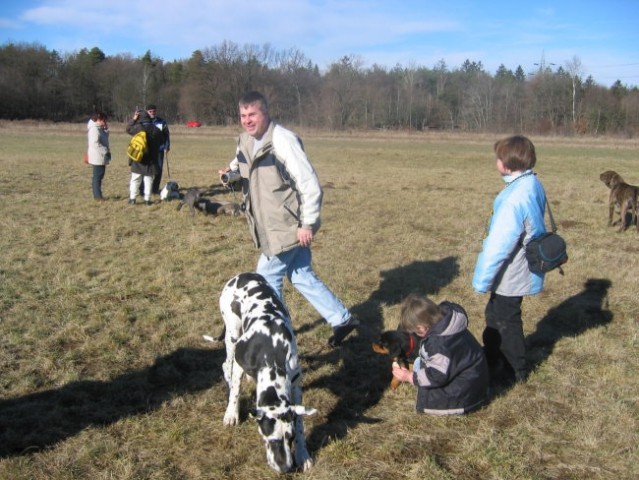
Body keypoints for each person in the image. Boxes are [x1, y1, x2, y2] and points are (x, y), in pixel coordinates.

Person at [220, 91, 358, 347]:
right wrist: (229, 176)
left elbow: (309, 184)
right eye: (243, 115)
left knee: (266, 279)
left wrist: (307, 224)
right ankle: (342, 320)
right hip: (267, 224)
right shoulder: (245, 141)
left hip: (286, 227)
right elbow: (240, 167)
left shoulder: (284, 141)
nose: (247, 120)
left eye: (253, 114)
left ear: (266, 112)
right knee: (301, 274)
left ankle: (280, 337)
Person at [472, 135, 547, 385]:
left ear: (506, 163)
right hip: (521, 265)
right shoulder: (530, 182)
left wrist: (481, 280)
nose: (496, 162)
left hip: (513, 270)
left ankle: (514, 370)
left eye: (498, 158)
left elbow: (498, 246)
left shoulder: (514, 198)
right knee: (495, 312)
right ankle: (493, 357)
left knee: (506, 318)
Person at [391, 294, 489, 415]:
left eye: (415, 332)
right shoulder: (450, 321)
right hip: (475, 381)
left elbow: (437, 376)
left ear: (421, 328)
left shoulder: (439, 345)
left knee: (420, 373)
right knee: (418, 363)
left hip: (463, 397)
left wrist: (409, 377)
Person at [126, 109, 161, 205]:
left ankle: (132, 198)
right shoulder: (156, 130)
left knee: (135, 179)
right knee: (148, 180)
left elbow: (128, 129)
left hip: (138, 158)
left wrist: (133, 119)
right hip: (151, 159)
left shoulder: (138, 128)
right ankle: (147, 199)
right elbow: (159, 143)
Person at [145, 104, 170, 195]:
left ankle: (155, 189)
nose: (152, 113)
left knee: (158, 170)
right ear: (147, 112)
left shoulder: (161, 122)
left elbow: (166, 135)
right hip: (147, 150)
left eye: (154, 111)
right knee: (147, 170)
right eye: (150, 111)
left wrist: (167, 146)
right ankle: (144, 189)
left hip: (159, 150)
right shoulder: (144, 122)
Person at [86, 112, 111, 201]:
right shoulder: (94, 129)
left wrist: (105, 130)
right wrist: (105, 151)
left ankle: (98, 195)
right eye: (104, 120)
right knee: (97, 176)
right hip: (97, 156)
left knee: (99, 176)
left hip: (100, 155)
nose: (105, 122)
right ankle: (97, 196)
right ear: (98, 119)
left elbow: (104, 139)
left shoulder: (99, 128)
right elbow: (94, 143)